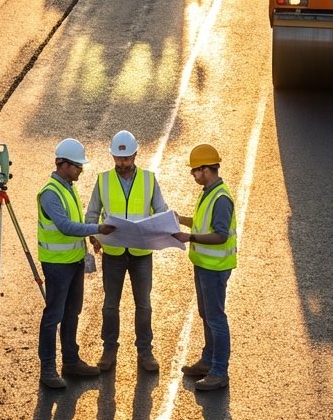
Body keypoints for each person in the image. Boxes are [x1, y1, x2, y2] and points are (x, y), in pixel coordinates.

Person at [85, 130, 171, 374]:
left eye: (126, 158)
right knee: (110, 305)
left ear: (135, 154)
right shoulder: (103, 180)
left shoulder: (149, 180)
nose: (121, 163)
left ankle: (145, 351)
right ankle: (109, 349)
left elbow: (161, 211)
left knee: (143, 304)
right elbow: (92, 214)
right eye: (117, 158)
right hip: (113, 253)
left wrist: (158, 230)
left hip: (141, 254)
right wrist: (95, 236)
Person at [37, 138, 116, 390]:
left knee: (72, 312)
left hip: (73, 262)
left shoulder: (67, 187)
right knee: (53, 316)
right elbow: (66, 227)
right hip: (57, 265)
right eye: (77, 166)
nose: (81, 169)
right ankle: (48, 368)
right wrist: (98, 228)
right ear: (62, 164)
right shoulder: (51, 193)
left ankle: (70, 360)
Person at [174, 144, 237, 392]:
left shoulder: (221, 199)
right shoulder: (209, 192)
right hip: (203, 265)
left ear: (207, 169)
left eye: (195, 171)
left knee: (216, 319)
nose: (193, 175)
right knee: (207, 315)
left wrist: (189, 238)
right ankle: (208, 361)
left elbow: (220, 235)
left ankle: (219, 371)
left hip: (214, 267)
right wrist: (179, 219)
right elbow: (201, 223)